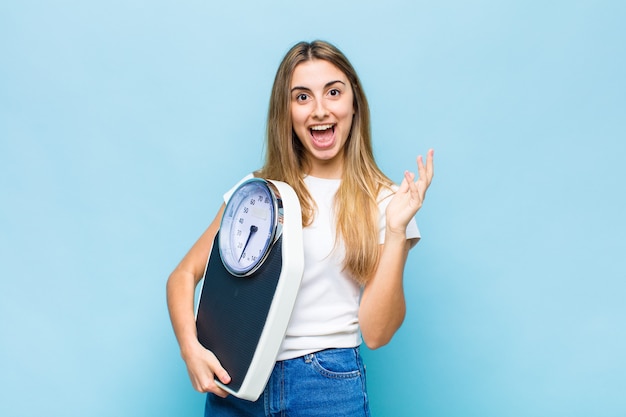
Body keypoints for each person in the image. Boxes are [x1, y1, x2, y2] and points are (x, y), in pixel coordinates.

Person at [166, 40, 434, 417]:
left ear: (353, 103)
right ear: (286, 111)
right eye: (302, 97)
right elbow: (183, 275)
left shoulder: (388, 201)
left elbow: (377, 333)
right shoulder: (258, 193)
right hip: (237, 380)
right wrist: (189, 348)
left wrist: (394, 231)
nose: (320, 110)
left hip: (326, 386)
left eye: (334, 92)